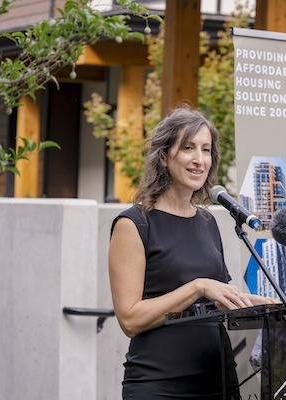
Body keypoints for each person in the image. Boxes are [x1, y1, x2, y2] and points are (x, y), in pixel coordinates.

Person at [109, 105, 275, 399]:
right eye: (188, 148)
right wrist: (198, 286)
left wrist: (250, 303)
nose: (199, 159)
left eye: (206, 150)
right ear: (163, 155)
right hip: (159, 384)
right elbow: (130, 320)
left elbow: (215, 299)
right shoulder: (134, 224)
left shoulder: (207, 222)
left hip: (217, 380)